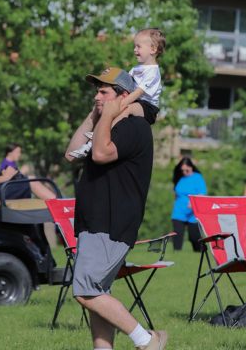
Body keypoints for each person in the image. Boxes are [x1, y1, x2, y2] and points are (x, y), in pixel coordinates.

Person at [65, 68, 167, 350]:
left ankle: (148, 340)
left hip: (110, 222)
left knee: (85, 292)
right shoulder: (106, 124)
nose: (96, 96)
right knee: (98, 293)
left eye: (103, 92)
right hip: (94, 220)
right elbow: (71, 152)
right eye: (96, 91)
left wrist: (108, 115)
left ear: (123, 96)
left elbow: (99, 154)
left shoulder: (132, 127)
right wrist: (95, 115)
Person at [70, 27, 165, 158]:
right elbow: (129, 84)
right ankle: (89, 144)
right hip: (136, 101)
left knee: (125, 108)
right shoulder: (137, 68)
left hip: (147, 107)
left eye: (138, 46)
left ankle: (103, 134)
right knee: (121, 108)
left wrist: (117, 104)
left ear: (153, 49)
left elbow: (137, 92)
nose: (134, 50)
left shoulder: (153, 72)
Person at [170, 158, 207, 252]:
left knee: (194, 236)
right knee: (177, 233)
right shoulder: (179, 177)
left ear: (191, 167)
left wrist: (194, 202)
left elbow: (202, 193)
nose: (184, 172)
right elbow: (176, 193)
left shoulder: (198, 177)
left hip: (193, 211)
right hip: (179, 210)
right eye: (182, 170)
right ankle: (176, 252)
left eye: (187, 170)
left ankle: (198, 251)